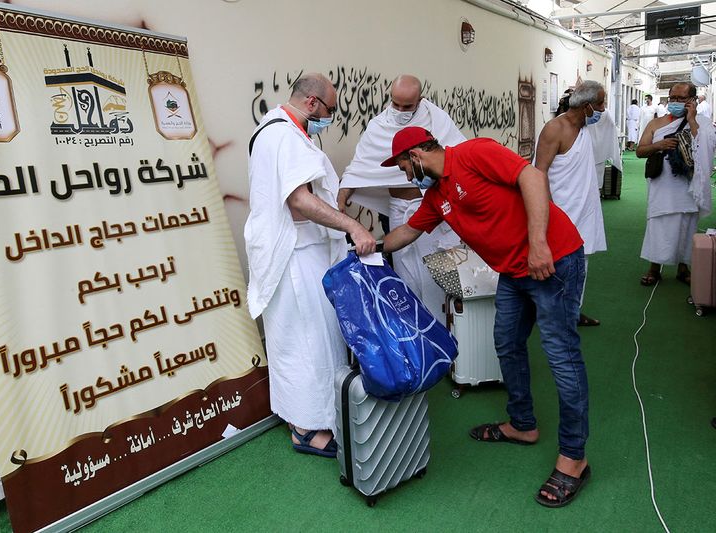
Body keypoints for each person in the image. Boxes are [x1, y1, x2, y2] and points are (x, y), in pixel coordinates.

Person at [381, 127, 590, 508]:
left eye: (403, 167)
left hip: (553, 260)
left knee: (562, 357)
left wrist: (539, 243)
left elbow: (531, 176)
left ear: (416, 154)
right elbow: (409, 230)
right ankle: (523, 424)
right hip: (513, 273)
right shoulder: (437, 196)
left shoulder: (473, 154)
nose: (406, 176)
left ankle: (574, 457)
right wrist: (370, 244)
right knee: (506, 343)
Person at [244, 73, 376, 458]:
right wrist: (349, 225)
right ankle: (307, 430)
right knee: (309, 345)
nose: (330, 119)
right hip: (296, 256)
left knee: (299, 341)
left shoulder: (275, 130)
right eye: (331, 111)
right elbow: (298, 201)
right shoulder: (283, 134)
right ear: (313, 103)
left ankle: (303, 419)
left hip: (297, 254)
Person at [338, 74, 466, 319]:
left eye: (406, 106)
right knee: (406, 277)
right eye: (395, 104)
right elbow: (358, 170)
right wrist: (340, 203)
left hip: (431, 208)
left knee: (434, 277)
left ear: (420, 99)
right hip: (399, 209)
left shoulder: (436, 120)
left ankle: (444, 335)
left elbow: (455, 158)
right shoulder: (378, 126)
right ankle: (418, 336)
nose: (399, 111)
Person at [534, 80, 607, 327]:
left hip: (584, 208)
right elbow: (539, 172)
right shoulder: (555, 129)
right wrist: (549, 210)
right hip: (561, 210)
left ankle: (574, 310)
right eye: (600, 103)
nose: (603, 109)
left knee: (581, 264)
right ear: (586, 107)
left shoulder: (584, 127)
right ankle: (552, 315)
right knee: (556, 265)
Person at [636, 82, 715, 286]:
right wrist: (659, 145)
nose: (676, 103)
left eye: (681, 99)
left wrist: (692, 120)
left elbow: (706, 147)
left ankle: (683, 268)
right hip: (662, 182)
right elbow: (640, 150)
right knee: (658, 223)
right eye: (673, 99)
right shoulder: (656, 123)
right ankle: (654, 268)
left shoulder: (702, 123)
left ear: (692, 101)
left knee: (687, 225)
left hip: (688, 183)